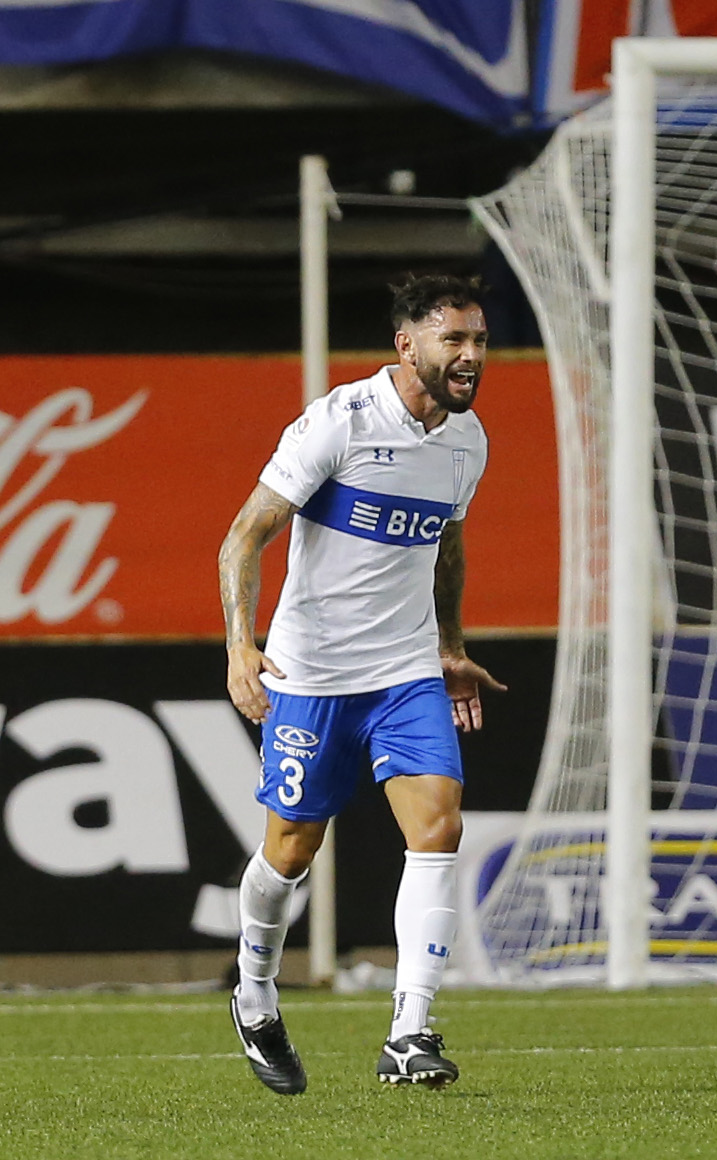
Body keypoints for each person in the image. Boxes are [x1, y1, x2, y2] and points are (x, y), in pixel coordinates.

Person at [217, 274, 503, 1094]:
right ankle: (256, 989)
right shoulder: (339, 422)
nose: (471, 355)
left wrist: (448, 644)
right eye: (455, 339)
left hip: (405, 674)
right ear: (407, 344)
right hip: (312, 673)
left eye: (479, 339)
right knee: (290, 851)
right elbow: (244, 538)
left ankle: (409, 1031)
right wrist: (242, 648)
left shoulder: (467, 441)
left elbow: (446, 547)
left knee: (438, 826)